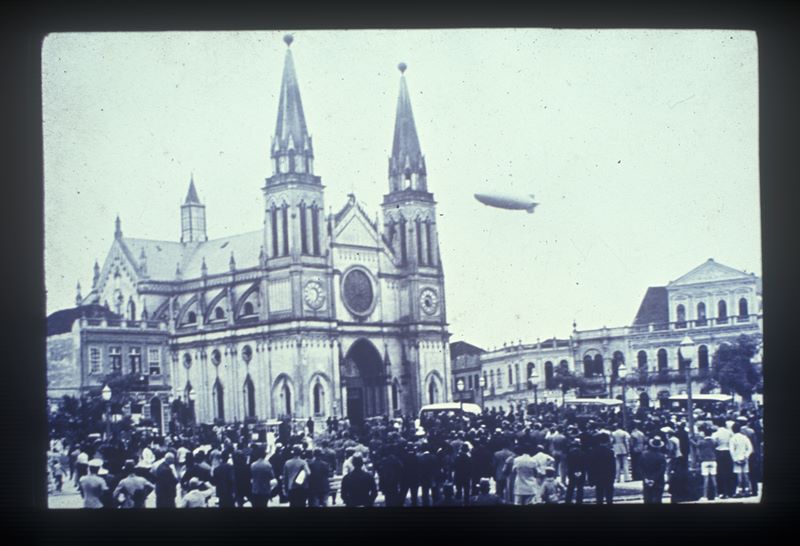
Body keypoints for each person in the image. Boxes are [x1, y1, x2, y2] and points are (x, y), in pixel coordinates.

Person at [588, 433, 615, 505]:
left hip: (598, 478)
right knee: (609, 497)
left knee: (599, 496)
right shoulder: (610, 452)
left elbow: (591, 467)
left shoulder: (593, 452)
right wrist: (613, 477)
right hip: (608, 477)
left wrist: (590, 479)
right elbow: (613, 467)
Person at [691, 428, 718, 501]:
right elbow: (716, 445)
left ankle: (705, 496)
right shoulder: (713, 441)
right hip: (713, 460)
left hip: (704, 461)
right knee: (713, 478)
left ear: (705, 434)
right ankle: (716, 495)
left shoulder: (702, 442)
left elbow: (696, 445)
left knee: (706, 479)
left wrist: (691, 440)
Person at [729, 423, 754, 497]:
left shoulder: (732, 439)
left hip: (737, 458)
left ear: (733, 430)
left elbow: (731, 450)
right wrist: (746, 456)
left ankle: (738, 491)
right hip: (744, 458)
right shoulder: (745, 437)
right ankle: (747, 490)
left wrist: (735, 459)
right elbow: (750, 448)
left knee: (739, 476)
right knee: (746, 475)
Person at [640, 438, 667, 504]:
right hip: (658, 480)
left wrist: (645, 478)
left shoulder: (643, 455)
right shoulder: (661, 456)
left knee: (647, 498)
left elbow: (640, 468)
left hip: (646, 479)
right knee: (657, 498)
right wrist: (653, 479)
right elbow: (662, 470)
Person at [712, 420, 734, 498]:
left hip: (719, 452)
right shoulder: (729, 432)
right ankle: (730, 491)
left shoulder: (716, 433)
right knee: (729, 472)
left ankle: (723, 492)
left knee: (721, 472)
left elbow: (713, 443)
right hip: (728, 452)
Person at [565, 438, 587, 504]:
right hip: (581, 471)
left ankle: (568, 500)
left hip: (572, 471)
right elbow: (584, 464)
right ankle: (579, 501)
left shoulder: (570, 453)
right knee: (580, 487)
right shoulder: (583, 453)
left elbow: (568, 463)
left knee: (571, 487)